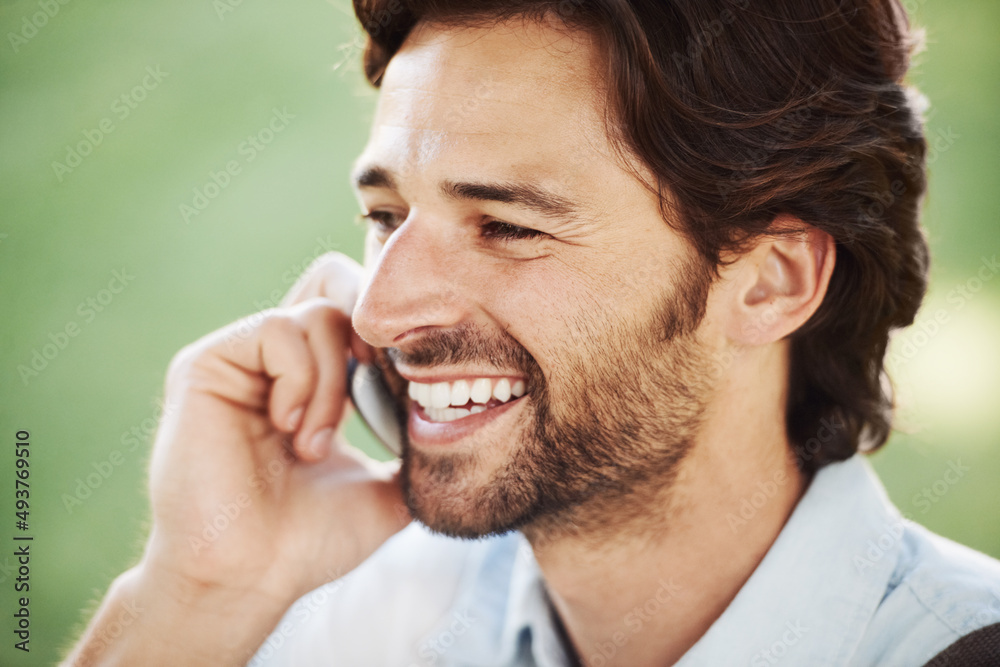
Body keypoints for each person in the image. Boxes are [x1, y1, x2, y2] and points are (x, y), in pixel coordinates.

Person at [65, 1, 1000, 665]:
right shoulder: (365, 618)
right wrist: (196, 595)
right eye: (388, 215)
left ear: (769, 282)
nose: (380, 314)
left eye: (508, 226)